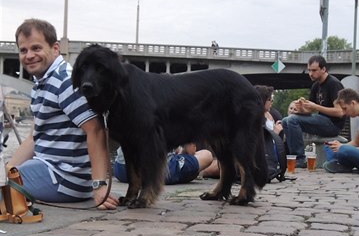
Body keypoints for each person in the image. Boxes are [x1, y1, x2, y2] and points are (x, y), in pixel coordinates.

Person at [5, 19, 118, 209]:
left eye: (36, 48)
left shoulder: (64, 81)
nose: (29, 55)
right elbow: (34, 138)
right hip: (52, 172)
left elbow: (96, 130)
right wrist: (7, 170)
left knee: (3, 190)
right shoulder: (42, 83)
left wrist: (100, 186)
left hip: (64, 178)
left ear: (55, 48)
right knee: (3, 178)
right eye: (23, 50)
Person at [281, 55, 344, 168]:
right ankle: (293, 156)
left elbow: (340, 112)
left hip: (333, 125)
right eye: (309, 70)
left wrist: (316, 107)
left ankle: (300, 159)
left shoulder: (333, 83)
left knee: (292, 120)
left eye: (314, 70)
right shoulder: (315, 85)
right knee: (286, 120)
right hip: (321, 121)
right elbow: (309, 112)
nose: (310, 73)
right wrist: (301, 109)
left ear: (324, 69)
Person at [114, 143, 218, 184]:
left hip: (122, 170)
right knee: (206, 155)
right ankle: (202, 172)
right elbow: (191, 149)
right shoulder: (179, 103)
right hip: (159, 172)